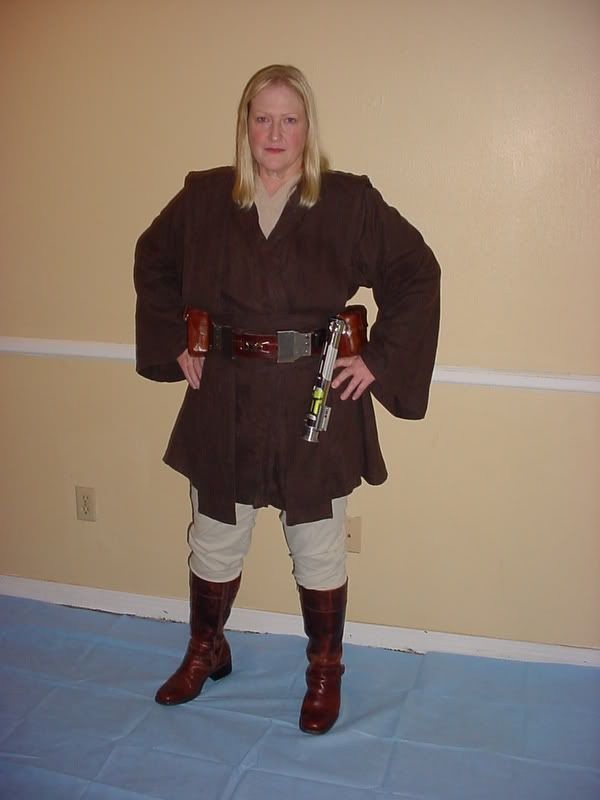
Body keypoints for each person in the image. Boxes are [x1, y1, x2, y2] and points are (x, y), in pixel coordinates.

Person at [134, 64, 440, 735]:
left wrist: (379, 359)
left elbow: (416, 272)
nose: (275, 133)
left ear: (308, 128)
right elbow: (153, 259)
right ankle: (207, 648)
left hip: (315, 394)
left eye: (289, 119)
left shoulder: (348, 201)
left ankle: (325, 671)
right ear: (246, 124)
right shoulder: (206, 198)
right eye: (263, 118)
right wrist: (176, 341)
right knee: (215, 533)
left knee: (317, 541)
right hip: (226, 392)